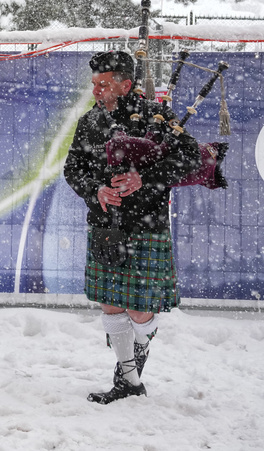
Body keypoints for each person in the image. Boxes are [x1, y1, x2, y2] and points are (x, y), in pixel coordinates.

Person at [64, 50, 200, 404]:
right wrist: (96, 190)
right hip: (105, 224)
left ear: (125, 84)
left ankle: (137, 354)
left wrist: (145, 178)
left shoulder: (157, 118)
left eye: (104, 84)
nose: (96, 90)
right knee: (110, 304)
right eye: (94, 84)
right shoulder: (89, 122)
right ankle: (129, 379)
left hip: (145, 225)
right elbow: (72, 169)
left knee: (140, 309)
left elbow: (190, 159)